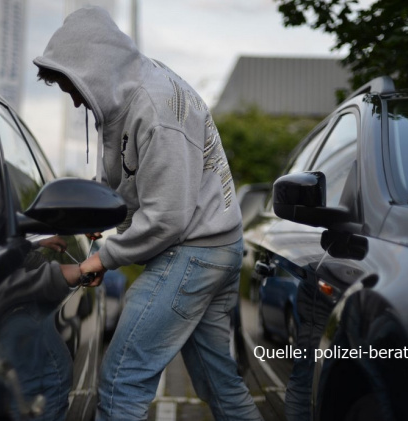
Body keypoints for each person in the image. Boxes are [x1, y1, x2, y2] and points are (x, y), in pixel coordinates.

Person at [34, 6, 262, 421]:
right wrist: (84, 221)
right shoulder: (126, 96)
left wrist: (100, 260)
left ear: (94, 68)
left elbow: (167, 217)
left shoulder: (156, 109)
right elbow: (124, 183)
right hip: (213, 248)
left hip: (192, 253)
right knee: (219, 384)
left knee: (122, 381)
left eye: (73, 86)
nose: (75, 98)